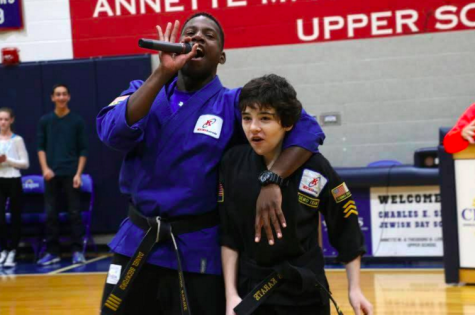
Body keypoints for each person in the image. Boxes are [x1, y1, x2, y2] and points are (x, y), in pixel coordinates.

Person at [97, 12, 325, 315]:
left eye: (209, 35)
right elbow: (111, 132)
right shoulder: (141, 90)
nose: (197, 38)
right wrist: (161, 74)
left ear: (222, 56)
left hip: (198, 251)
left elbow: (307, 129)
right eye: (189, 33)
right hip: (138, 243)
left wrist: (273, 178)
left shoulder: (234, 103)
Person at [219, 74, 373, 315]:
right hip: (251, 292)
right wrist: (231, 295)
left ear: (288, 123)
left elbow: (346, 226)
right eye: (247, 118)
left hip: (306, 292)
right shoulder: (232, 163)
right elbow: (229, 236)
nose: (253, 128)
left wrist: (355, 288)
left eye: (265, 119)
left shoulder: (315, 167)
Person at [36, 84, 88, 266]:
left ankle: (77, 251)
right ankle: (52, 252)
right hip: (51, 175)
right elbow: (40, 147)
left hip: (71, 174)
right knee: (51, 214)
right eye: (58, 94)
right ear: (52, 98)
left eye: (64, 94)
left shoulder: (77, 121)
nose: (61, 97)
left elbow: (83, 150)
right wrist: (45, 169)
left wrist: (78, 174)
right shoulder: (45, 121)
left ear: (69, 97)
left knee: (74, 213)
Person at [0, 108, 29, 268]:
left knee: (16, 216)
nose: (2, 122)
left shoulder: (17, 140)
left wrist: (8, 160)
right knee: (1, 218)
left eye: (5, 119)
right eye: (0, 119)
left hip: (13, 179)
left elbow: (24, 163)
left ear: (11, 120)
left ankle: (13, 250)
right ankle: (3, 249)